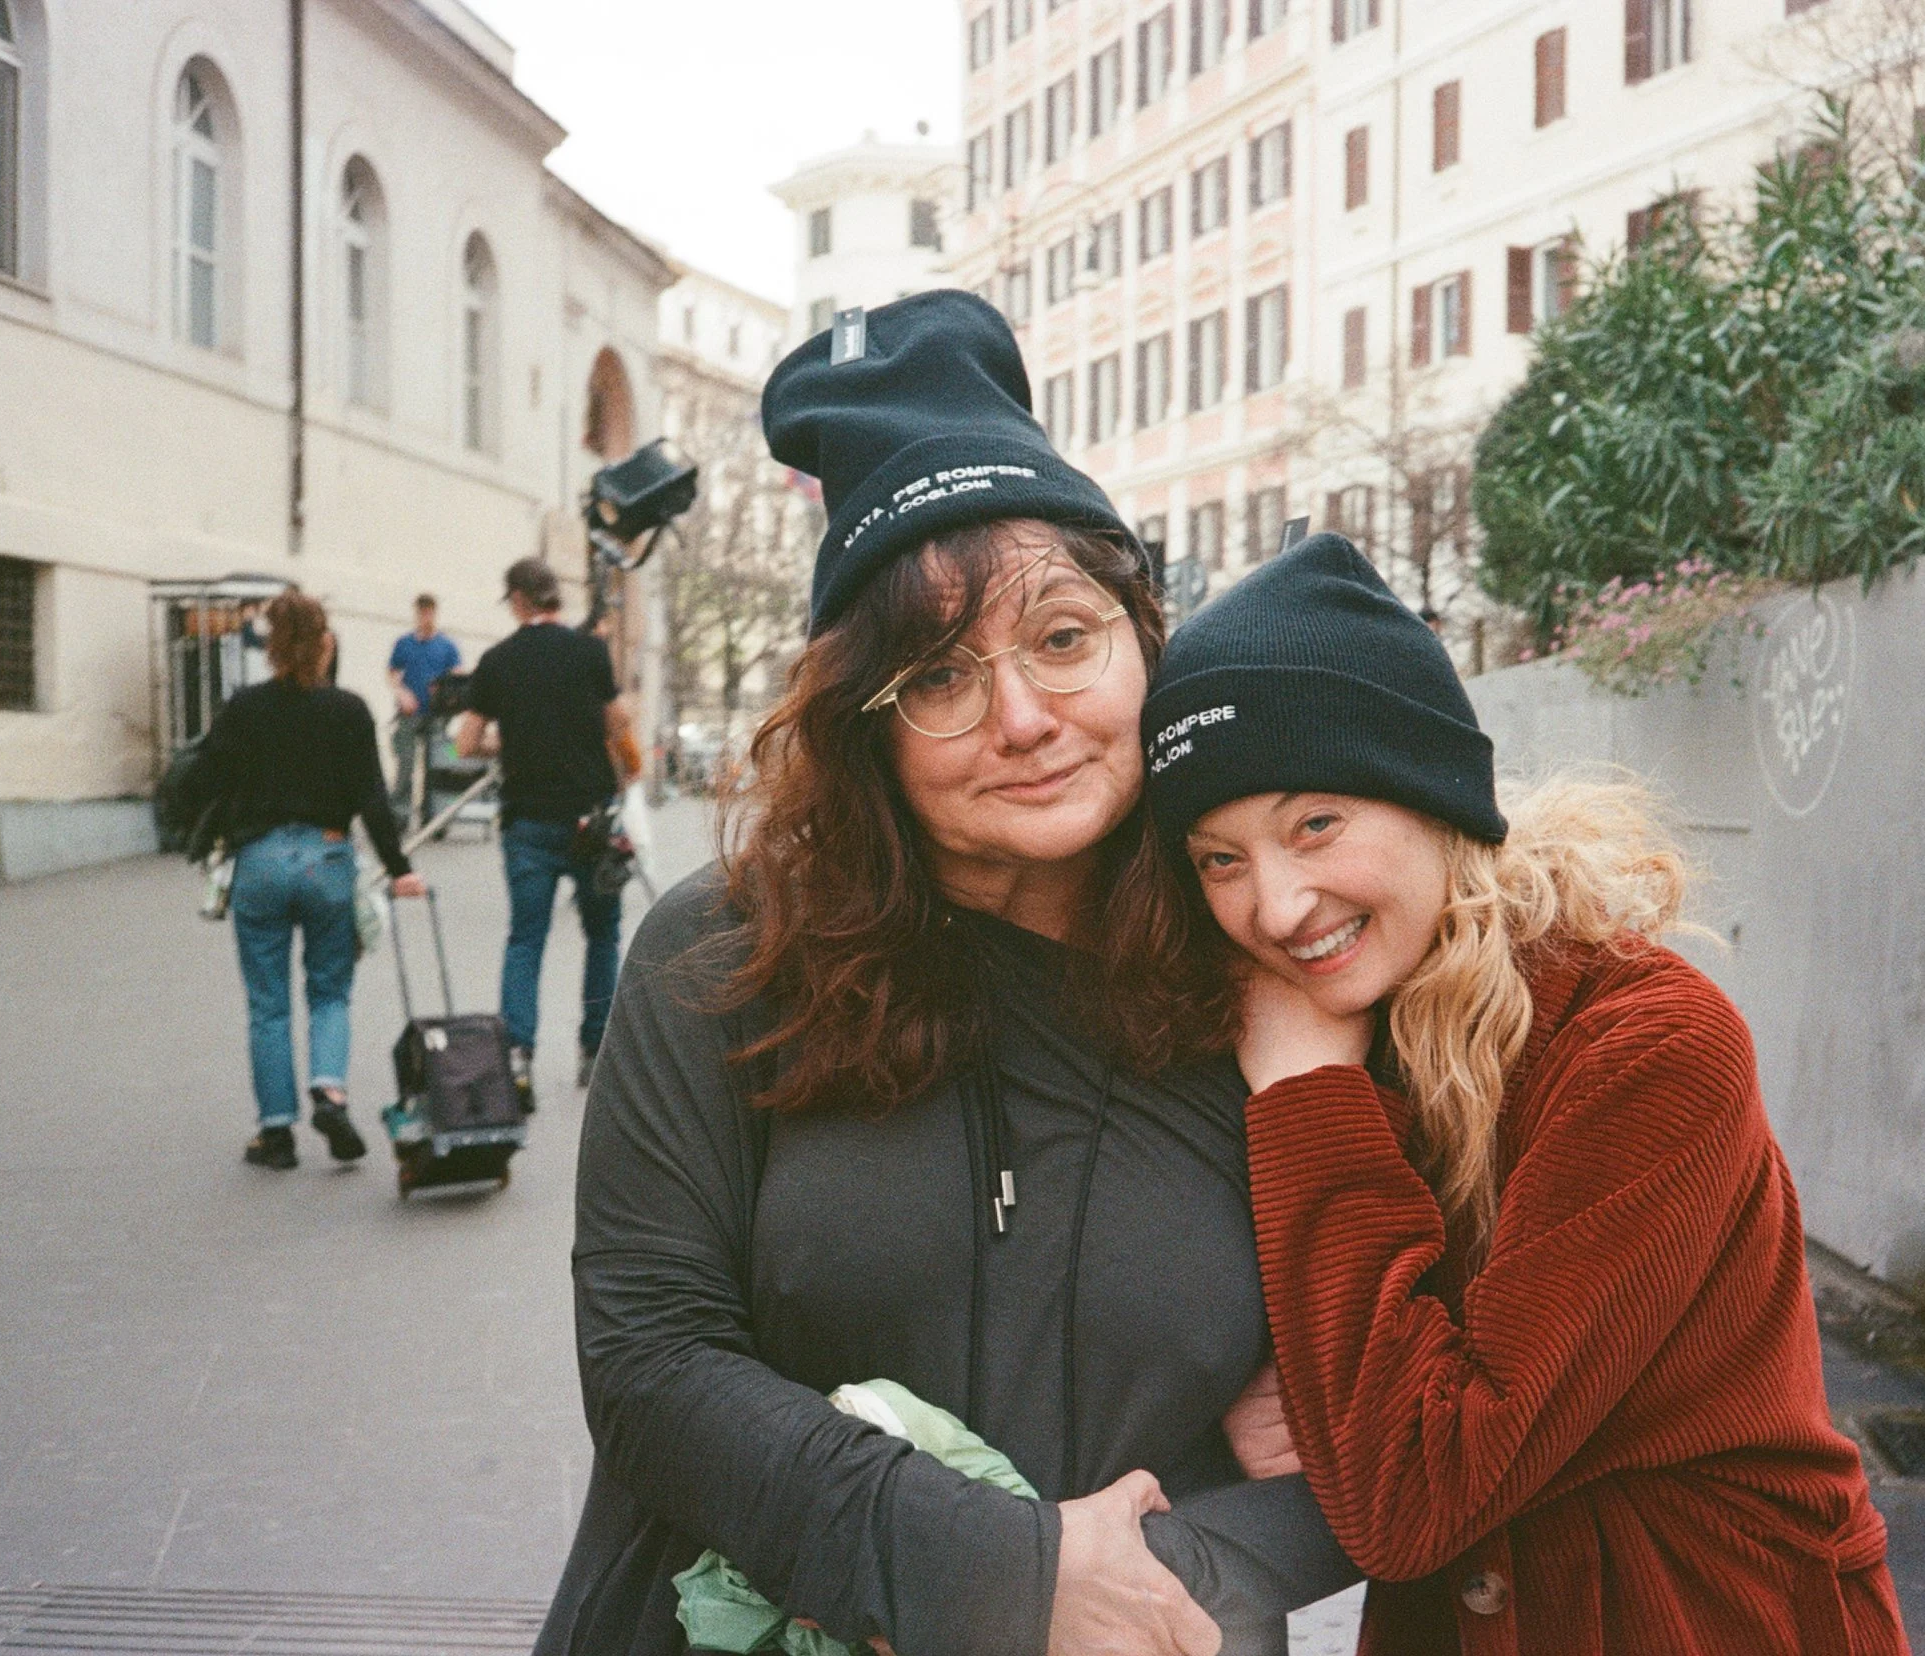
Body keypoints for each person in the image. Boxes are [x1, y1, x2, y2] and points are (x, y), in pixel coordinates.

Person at [533, 290, 1354, 1656]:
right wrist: (1006, 1578)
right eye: (937, 676)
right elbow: (651, 1365)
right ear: (864, 726)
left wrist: (1147, 1591)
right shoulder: (727, 953)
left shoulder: (1262, 961)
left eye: (1062, 637)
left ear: (1144, 634)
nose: (1024, 718)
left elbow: (1414, 1419)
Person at [1140, 534, 1913, 1655]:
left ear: (1427, 790)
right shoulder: (1340, 1024)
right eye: (1219, 860)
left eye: (1315, 824)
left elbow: (1410, 1493)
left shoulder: (1646, 1048)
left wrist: (1307, 1093)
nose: (1277, 904)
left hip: (1697, 1619)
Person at [184, 590, 427, 1170]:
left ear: (269, 645)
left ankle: (275, 1133)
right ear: (325, 644)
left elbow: (206, 775)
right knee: (329, 991)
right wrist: (400, 870)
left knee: (268, 1005)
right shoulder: (348, 710)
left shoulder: (244, 708)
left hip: (261, 862)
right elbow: (373, 797)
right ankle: (329, 1091)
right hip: (327, 858)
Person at [454, 558, 638, 1103]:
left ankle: (518, 1056)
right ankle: (593, 1050)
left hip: (528, 822)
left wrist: (506, 743)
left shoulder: (496, 661)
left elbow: (465, 742)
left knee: (525, 937)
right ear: (555, 599)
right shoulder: (588, 652)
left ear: (516, 600)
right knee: (602, 933)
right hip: (591, 818)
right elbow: (617, 723)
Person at [386, 593, 461, 823]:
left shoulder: (446, 646)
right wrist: (402, 693)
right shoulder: (404, 643)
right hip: (409, 713)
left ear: (434, 613)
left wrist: (446, 693)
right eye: (421, 612)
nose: (425, 617)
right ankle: (400, 815)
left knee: (435, 768)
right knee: (405, 765)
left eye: (429, 612)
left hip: (436, 716)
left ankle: (434, 816)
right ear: (416, 613)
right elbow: (392, 673)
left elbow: (457, 676)